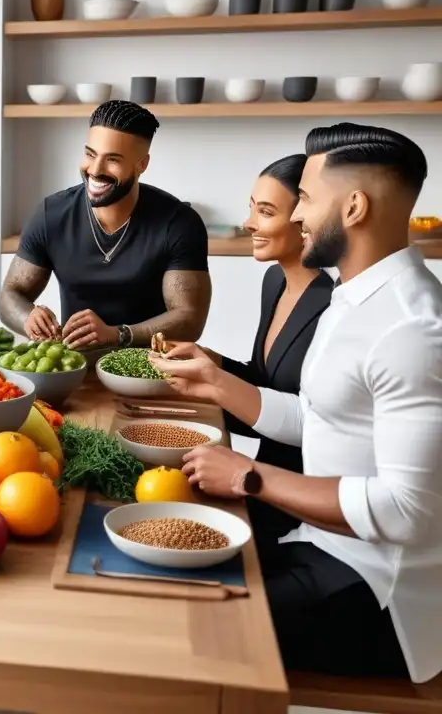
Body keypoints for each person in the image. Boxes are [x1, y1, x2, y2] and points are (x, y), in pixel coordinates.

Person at [150, 123, 442, 683]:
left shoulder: (412, 327)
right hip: (314, 541)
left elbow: (406, 511)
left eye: (305, 198)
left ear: (354, 206)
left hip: (377, 593)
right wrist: (214, 382)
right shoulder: (353, 298)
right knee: (166, 582)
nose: (298, 215)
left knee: (182, 635)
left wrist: (249, 477)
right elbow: (315, 417)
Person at [0, 99, 212, 351]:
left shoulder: (178, 224)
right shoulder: (51, 215)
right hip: (75, 366)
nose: (95, 170)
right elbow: (10, 295)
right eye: (90, 154)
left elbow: (190, 320)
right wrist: (28, 318)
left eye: (113, 159)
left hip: (150, 370)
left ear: (141, 165)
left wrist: (118, 334)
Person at [200, 154, 334, 546]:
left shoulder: (332, 305)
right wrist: (213, 363)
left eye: (266, 211)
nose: (249, 223)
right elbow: (265, 385)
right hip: (257, 478)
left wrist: (215, 382)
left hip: (298, 501)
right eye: (252, 208)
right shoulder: (275, 280)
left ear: (305, 220)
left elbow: (307, 421)